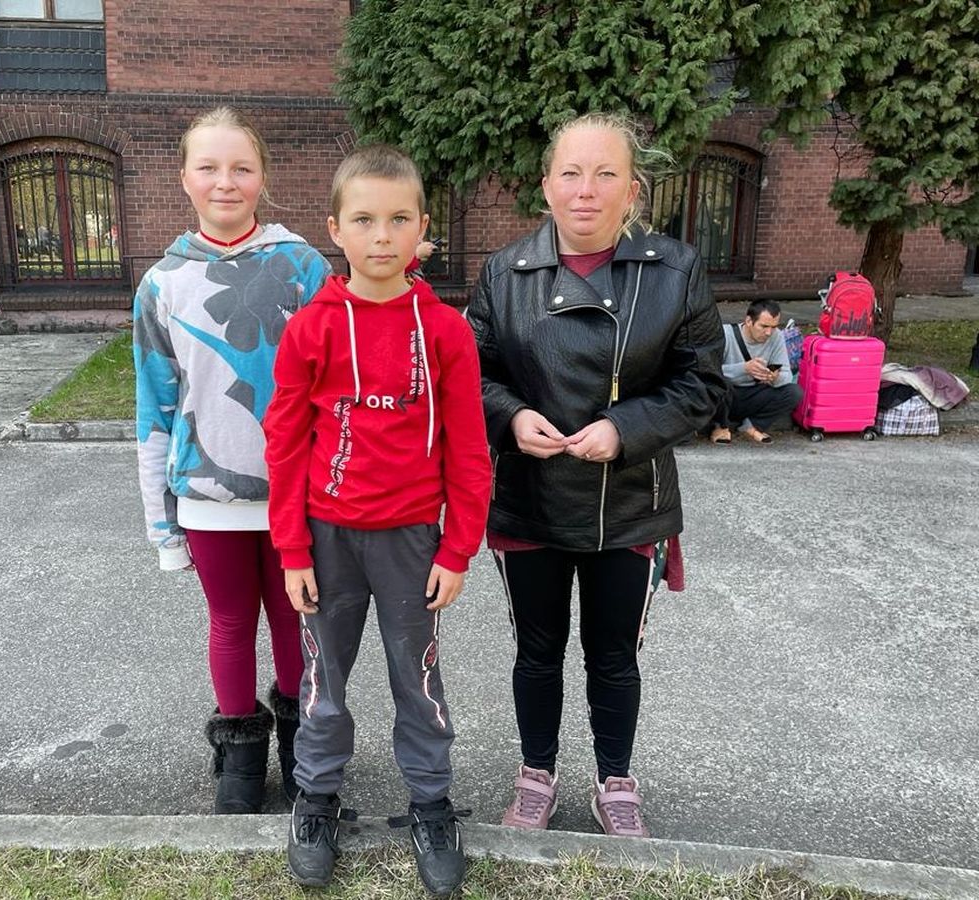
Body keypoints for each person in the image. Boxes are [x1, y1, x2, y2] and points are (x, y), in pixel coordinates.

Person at [467, 113, 726, 838]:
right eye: (571, 173)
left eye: (605, 173)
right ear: (546, 186)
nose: (587, 190)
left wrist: (624, 429)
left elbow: (704, 387)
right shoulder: (502, 271)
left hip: (632, 503)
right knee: (537, 651)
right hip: (530, 499)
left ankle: (616, 778)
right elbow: (472, 374)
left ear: (632, 189)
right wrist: (513, 417)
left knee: (614, 657)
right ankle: (536, 774)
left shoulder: (675, 271)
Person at [264, 144, 491, 895]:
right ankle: (317, 799)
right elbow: (285, 440)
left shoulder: (448, 332)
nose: (383, 236)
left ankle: (431, 805)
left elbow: (469, 449)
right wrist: (292, 550)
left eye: (399, 219)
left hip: (412, 541)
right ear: (336, 228)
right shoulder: (312, 328)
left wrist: (457, 549)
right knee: (324, 682)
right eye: (364, 219)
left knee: (416, 680)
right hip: (326, 542)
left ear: (424, 227)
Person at [133, 106, 330, 815]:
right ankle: (240, 756)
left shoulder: (302, 266)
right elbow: (153, 408)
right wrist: (161, 523)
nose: (226, 182)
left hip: (294, 496)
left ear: (262, 179)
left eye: (241, 168)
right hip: (207, 496)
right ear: (184, 177)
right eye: (209, 167)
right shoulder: (161, 285)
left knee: (291, 619)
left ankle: (305, 748)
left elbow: (338, 375)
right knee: (230, 621)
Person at [710, 299, 803, 444]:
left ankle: (752, 426)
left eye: (774, 327)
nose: (768, 332)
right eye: (764, 326)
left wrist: (774, 377)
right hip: (727, 394)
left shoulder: (776, 336)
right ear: (748, 321)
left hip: (754, 393)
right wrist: (744, 368)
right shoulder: (725, 334)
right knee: (718, 384)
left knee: (794, 392)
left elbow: (786, 374)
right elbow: (709, 371)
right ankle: (720, 426)